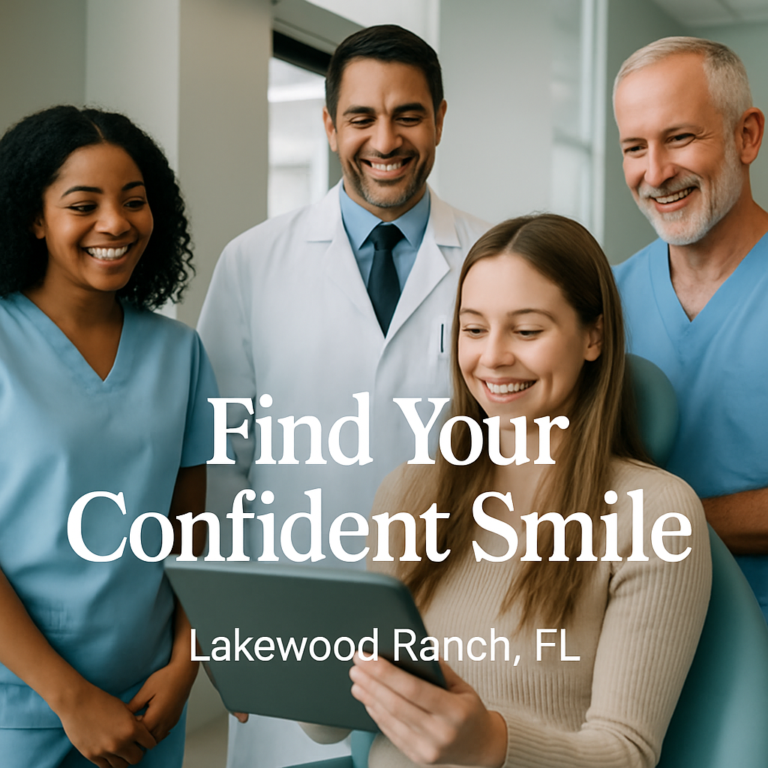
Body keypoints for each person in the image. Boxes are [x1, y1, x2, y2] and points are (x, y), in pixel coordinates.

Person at [305, 214, 711, 768]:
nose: (492, 357)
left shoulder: (657, 514)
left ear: (594, 336)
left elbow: (624, 755)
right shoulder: (409, 492)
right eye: (474, 329)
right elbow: (335, 723)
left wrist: (492, 745)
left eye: (526, 330)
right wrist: (285, 667)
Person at [197, 24, 488, 768]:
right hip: (294, 634)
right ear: (330, 126)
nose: (384, 139)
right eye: (361, 117)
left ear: (442, 119)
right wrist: (236, 638)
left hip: (454, 630)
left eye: (408, 115)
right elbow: (222, 469)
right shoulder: (254, 262)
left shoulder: (493, 261)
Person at [0, 105, 218, 767]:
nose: (115, 224)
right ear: (34, 218)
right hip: (25, 706)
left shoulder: (179, 353)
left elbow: (190, 530)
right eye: (82, 204)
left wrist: (186, 662)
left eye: (133, 201)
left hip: (150, 701)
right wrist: (69, 698)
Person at [612, 37, 768, 620]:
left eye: (680, 138)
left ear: (746, 136)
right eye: (634, 147)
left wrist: (656, 525)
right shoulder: (603, 302)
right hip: (636, 645)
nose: (656, 172)